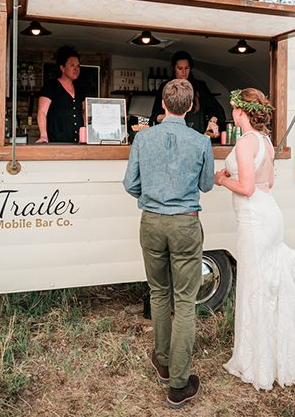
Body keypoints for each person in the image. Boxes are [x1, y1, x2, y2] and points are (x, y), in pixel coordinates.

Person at [123, 78, 215, 409]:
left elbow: (129, 183)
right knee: (185, 301)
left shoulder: (142, 138)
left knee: (159, 292)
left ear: (163, 104)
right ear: (190, 107)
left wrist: (151, 197)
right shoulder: (201, 141)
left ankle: (162, 361)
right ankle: (178, 383)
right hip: (186, 224)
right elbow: (207, 186)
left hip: (151, 221)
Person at [217, 88, 295, 390]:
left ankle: (257, 362)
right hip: (271, 212)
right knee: (270, 284)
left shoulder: (246, 142)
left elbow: (247, 187)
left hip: (254, 218)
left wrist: (222, 179)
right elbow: (267, 181)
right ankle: (276, 356)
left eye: (234, 107)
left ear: (240, 111)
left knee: (256, 284)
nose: (232, 111)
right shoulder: (265, 142)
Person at [151, 51, 226, 137]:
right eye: (180, 68)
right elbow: (154, 117)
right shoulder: (165, 87)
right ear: (174, 68)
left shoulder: (200, 87)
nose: (183, 72)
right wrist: (171, 117)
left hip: (197, 135)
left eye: (187, 68)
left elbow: (218, 112)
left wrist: (212, 122)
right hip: (170, 136)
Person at [36, 46, 85, 143]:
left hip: (78, 143)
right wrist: (44, 136)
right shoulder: (51, 87)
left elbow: (84, 112)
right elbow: (42, 113)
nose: (76, 69)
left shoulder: (80, 89)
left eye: (78, 66)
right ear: (62, 68)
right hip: (57, 143)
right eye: (72, 65)